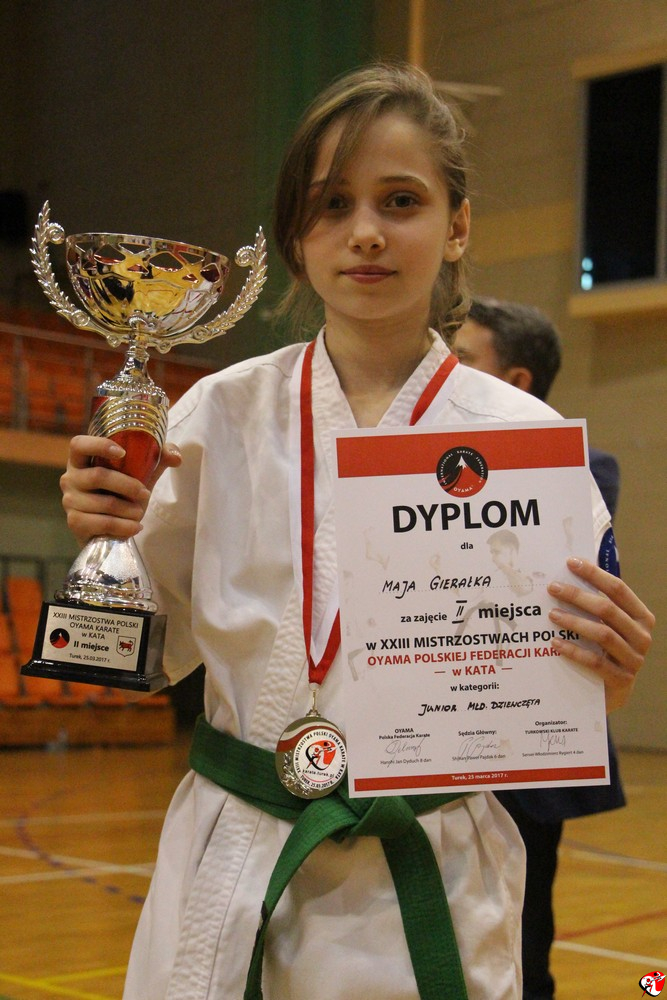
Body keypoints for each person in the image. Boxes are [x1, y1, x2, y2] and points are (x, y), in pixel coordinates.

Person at [60, 65, 654, 1000]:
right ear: (296, 237)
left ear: (457, 225)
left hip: (432, 860)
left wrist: (604, 679)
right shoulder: (216, 413)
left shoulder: (528, 442)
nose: (366, 231)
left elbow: (563, 684)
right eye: (332, 204)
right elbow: (136, 654)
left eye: (401, 201)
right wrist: (106, 546)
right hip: (235, 850)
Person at [454, 297, 627, 1000]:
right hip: (439, 729)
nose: (443, 372)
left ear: (516, 381)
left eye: (462, 359)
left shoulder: (584, 466)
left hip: (530, 746)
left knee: (523, 944)